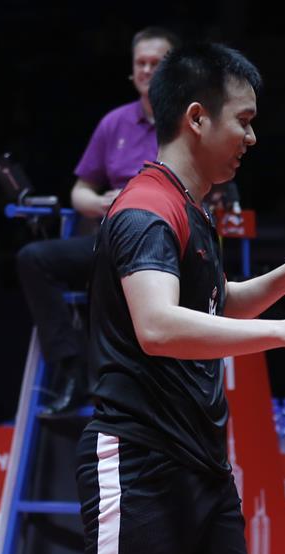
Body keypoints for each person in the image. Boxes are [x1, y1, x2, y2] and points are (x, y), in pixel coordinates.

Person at [74, 42, 285, 554]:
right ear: (196, 118)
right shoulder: (147, 211)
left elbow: (220, 302)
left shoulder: (191, 209)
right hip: (141, 461)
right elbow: (158, 326)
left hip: (202, 465)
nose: (252, 137)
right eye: (245, 120)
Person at [16, 27, 179, 417]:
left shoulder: (189, 119)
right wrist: (101, 202)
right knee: (33, 258)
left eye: (156, 64)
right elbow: (80, 190)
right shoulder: (114, 123)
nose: (146, 71)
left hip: (165, 243)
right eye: (140, 63)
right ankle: (73, 369)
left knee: (110, 280)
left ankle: (132, 387)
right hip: (111, 239)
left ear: (175, 69)